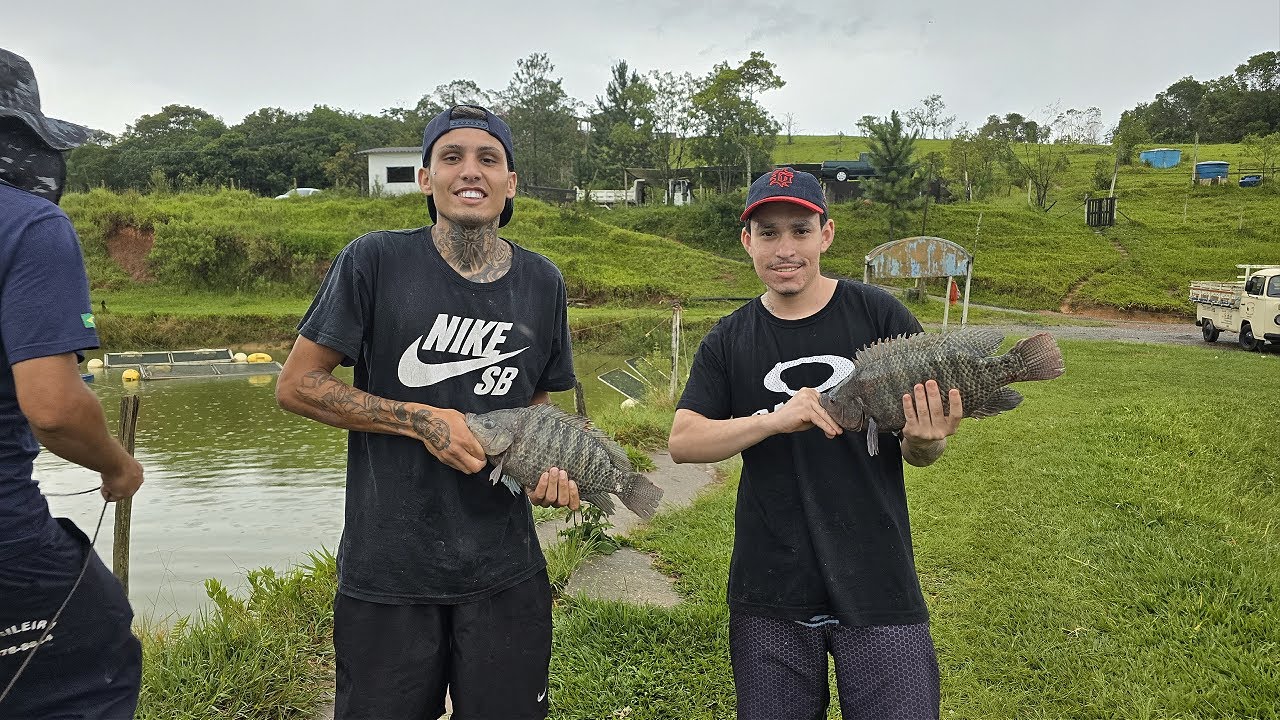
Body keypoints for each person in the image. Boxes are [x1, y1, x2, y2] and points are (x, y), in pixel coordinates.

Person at [276, 104, 579, 720]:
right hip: (388, 570)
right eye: (452, 157)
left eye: (488, 158)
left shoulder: (543, 282)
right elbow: (298, 385)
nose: (471, 171)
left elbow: (538, 412)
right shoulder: (373, 262)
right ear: (425, 179)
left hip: (505, 569)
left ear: (511, 182)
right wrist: (419, 420)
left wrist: (549, 473)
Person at [668, 167, 963, 720]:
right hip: (770, 583)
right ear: (746, 241)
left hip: (878, 575)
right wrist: (772, 421)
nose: (785, 249)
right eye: (769, 232)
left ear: (826, 234)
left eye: (800, 230)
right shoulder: (730, 338)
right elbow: (684, 441)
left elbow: (921, 449)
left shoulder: (879, 315)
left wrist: (927, 442)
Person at [0, 47, 145, 717]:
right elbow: (54, 409)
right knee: (95, 649)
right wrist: (118, 466)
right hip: (9, 552)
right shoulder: (30, 225)